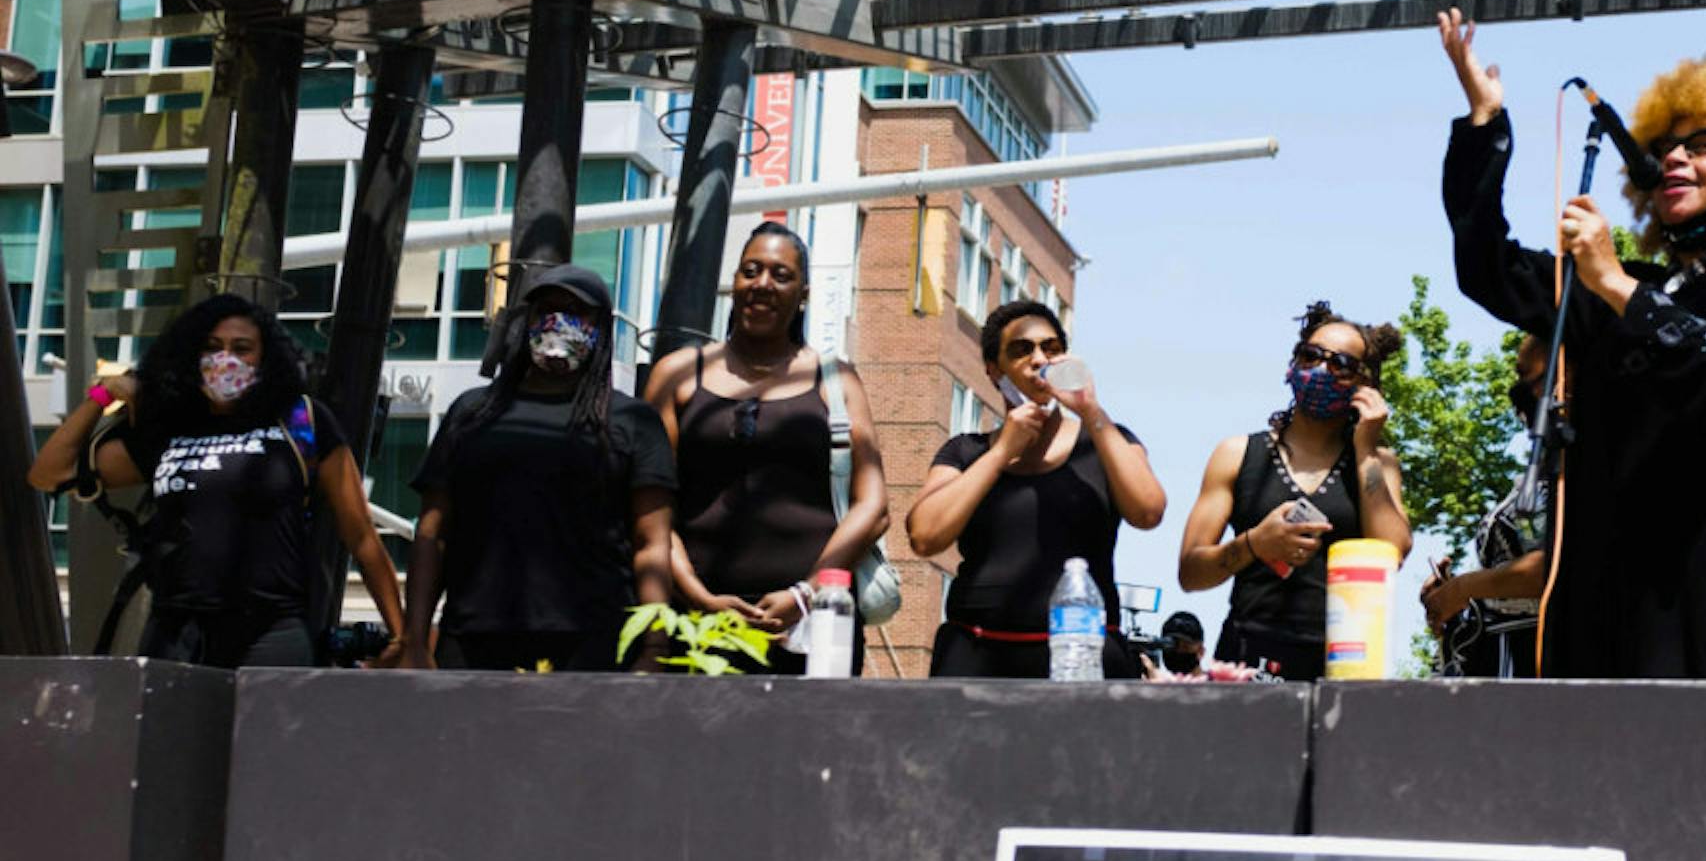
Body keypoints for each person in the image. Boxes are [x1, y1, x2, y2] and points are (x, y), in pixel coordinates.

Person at [1440, 13, 1706, 679]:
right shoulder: (1622, 286)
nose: (1677, 158)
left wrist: (1623, 291)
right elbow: (1484, 266)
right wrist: (1485, 125)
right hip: (1614, 613)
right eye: (1666, 146)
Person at [27, 294, 404, 667]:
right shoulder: (170, 427)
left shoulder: (301, 421)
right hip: (177, 631)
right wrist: (101, 394)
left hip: (271, 630)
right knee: (169, 729)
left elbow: (360, 534)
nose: (226, 359)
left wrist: (402, 634)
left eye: (243, 349)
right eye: (212, 347)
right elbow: (49, 473)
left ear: (266, 359)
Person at [401, 264, 676, 672]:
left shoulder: (631, 421)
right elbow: (432, 532)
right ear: (526, 321)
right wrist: (415, 640)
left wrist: (655, 648)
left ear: (601, 326)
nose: (559, 322)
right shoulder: (472, 412)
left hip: (594, 644)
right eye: (547, 308)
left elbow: (651, 543)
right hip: (473, 639)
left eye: (576, 311)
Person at [645, 222, 887, 674]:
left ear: (804, 294)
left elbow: (873, 505)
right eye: (750, 271)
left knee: (811, 745)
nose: (762, 285)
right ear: (733, 283)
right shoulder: (677, 374)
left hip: (814, 625)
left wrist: (807, 592)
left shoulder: (837, 379)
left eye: (780, 275)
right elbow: (650, 509)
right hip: (697, 620)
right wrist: (698, 598)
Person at [908, 298, 1166, 678]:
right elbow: (925, 536)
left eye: (1052, 348)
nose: (1038, 358)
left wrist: (1092, 412)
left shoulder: (1106, 441)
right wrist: (1001, 454)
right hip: (979, 658)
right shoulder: (966, 452)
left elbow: (1148, 512)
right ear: (994, 371)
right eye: (1021, 350)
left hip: (1082, 657)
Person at [1176, 302, 1411, 682]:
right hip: (1247, 658)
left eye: (1341, 365)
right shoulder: (1236, 454)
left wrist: (1366, 448)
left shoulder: (1378, 464)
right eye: (1310, 356)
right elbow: (1190, 573)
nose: (1320, 370)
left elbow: (1393, 554)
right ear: (1292, 364)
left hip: (1344, 662)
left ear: (1364, 385)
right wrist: (1255, 544)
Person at [1420, 333, 1551, 677]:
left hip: (1547, 660)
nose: (1521, 392)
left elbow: (1554, 566)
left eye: (1531, 377)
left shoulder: (1588, 478)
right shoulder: (1535, 477)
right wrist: (1453, 596)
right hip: (1499, 660)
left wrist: (1468, 587)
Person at [1158, 610, 1207, 676]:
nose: (1178, 651)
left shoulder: (1219, 684)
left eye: (1185, 647)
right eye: (1172, 646)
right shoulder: (1157, 683)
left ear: (1201, 651)